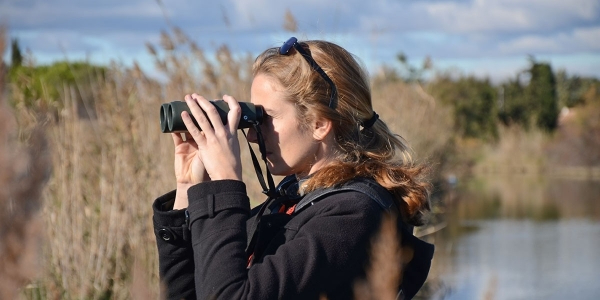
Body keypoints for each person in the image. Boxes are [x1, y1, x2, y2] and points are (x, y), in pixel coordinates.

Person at [153, 37, 434, 300]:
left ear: (320, 124)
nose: (252, 134)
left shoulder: (354, 216)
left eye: (267, 117)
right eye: (254, 117)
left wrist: (224, 186)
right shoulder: (291, 201)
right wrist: (187, 190)